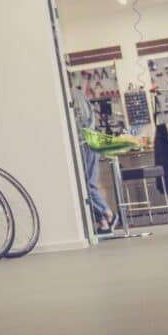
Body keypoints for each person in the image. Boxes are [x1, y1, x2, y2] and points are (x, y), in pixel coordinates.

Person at [74, 84, 117, 234]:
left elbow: (79, 122)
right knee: (87, 185)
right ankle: (103, 223)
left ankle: (106, 213)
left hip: (85, 143)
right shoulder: (77, 94)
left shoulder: (73, 95)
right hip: (87, 142)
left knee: (85, 186)